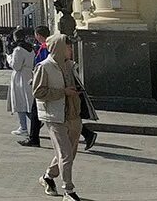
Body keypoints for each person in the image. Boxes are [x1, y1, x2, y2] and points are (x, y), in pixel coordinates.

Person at [19, 25, 97, 150]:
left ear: (38, 35)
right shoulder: (50, 45)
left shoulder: (48, 47)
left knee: (41, 112)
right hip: (50, 85)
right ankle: (34, 137)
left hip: (50, 85)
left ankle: (34, 138)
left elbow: (46, 66)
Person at [34, 34, 83, 200]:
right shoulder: (44, 67)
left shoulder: (70, 66)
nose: (71, 50)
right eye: (68, 47)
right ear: (60, 48)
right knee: (66, 155)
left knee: (69, 154)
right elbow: (38, 92)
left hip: (73, 114)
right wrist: (63, 92)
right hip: (55, 116)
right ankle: (68, 191)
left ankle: (48, 177)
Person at [7, 27, 36, 137]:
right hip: (29, 73)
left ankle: (23, 127)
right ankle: (34, 121)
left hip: (20, 77)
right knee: (28, 100)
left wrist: (9, 58)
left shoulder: (18, 49)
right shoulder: (30, 48)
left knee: (19, 101)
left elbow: (16, 65)